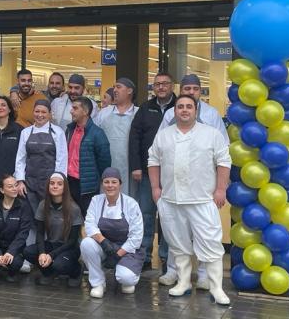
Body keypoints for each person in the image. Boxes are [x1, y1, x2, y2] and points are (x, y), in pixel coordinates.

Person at [148, 94, 231, 306]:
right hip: (171, 200)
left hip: (202, 200)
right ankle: (183, 282)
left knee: (211, 244)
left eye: (189, 107)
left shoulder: (211, 134)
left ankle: (217, 288)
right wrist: (155, 188)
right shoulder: (164, 135)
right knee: (178, 245)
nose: (184, 110)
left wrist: (221, 189)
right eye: (180, 107)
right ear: (174, 111)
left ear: (196, 110)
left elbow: (223, 161)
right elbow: (153, 160)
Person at [128, 73, 176, 272]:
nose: (161, 87)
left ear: (172, 86)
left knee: (168, 216)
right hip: (148, 172)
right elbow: (134, 138)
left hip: (173, 174)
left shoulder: (179, 107)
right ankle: (145, 255)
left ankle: (166, 256)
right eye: (157, 84)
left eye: (165, 84)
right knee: (146, 214)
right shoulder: (145, 109)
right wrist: (136, 166)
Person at [14, 99, 68, 273]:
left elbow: (61, 160)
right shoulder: (25, 132)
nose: (39, 115)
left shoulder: (58, 133)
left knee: (50, 221)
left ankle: (50, 255)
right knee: (30, 220)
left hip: (49, 184)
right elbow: (20, 159)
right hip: (29, 183)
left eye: (43, 112)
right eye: (37, 111)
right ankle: (30, 257)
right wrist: (20, 180)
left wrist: (58, 184)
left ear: (50, 114)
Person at [80, 167, 145, 298]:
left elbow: (136, 237)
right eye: (106, 182)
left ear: (120, 184)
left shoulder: (131, 204)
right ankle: (98, 283)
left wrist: (117, 255)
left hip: (126, 249)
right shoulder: (96, 201)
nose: (110, 186)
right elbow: (89, 225)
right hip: (105, 245)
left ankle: (126, 274)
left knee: (126, 280)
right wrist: (103, 242)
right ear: (102, 184)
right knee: (86, 243)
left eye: (114, 182)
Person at [23, 172, 83, 287]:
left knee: (59, 264)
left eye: (59, 184)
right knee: (28, 252)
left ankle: (76, 272)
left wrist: (51, 255)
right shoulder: (43, 205)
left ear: (65, 187)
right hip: (51, 244)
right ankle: (49, 273)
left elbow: (73, 240)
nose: (55, 186)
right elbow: (40, 233)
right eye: (52, 183)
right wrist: (42, 253)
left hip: (68, 247)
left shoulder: (74, 208)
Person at [65, 96, 111, 216]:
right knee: (70, 219)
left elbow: (104, 161)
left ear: (85, 112)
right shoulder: (69, 130)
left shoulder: (97, 133)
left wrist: (98, 180)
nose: (71, 111)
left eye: (75, 108)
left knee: (88, 220)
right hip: (69, 182)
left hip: (87, 186)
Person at [95, 77, 138, 195]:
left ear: (129, 91)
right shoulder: (103, 113)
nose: (114, 90)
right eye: (114, 87)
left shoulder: (138, 114)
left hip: (130, 168)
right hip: (106, 165)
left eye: (118, 87)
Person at [158, 74, 228, 143]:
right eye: (187, 88)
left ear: (200, 91)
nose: (191, 92)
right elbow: (160, 141)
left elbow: (223, 142)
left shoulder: (212, 114)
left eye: (196, 89)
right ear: (181, 91)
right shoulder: (170, 114)